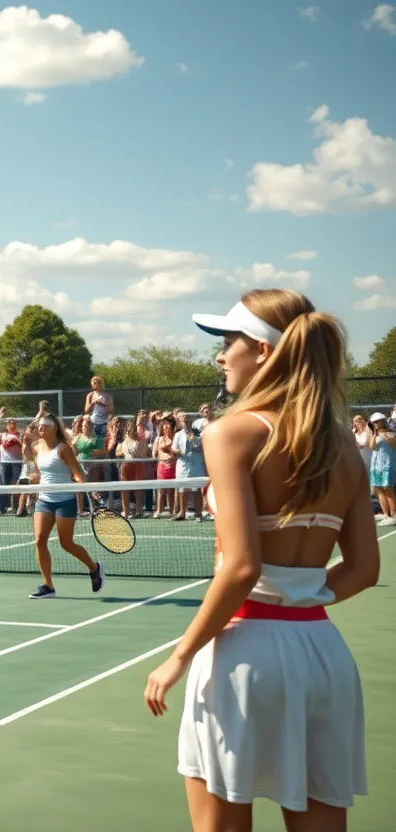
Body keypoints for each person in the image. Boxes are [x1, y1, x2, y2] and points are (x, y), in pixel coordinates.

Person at [144, 290, 379, 830]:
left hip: (243, 659)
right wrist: (297, 599)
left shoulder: (229, 432)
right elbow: (364, 570)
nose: (221, 356)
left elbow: (242, 568)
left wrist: (179, 655)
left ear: (264, 352)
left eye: (229, 342)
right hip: (324, 656)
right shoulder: (346, 445)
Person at [26, 412, 105, 600]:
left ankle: (94, 568)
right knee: (39, 540)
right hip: (44, 500)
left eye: (45, 425)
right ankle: (48, 585)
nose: (40, 427)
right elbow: (40, 472)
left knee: (66, 543)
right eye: (39, 425)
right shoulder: (37, 447)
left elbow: (76, 472)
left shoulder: (63, 449)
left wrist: (83, 486)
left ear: (54, 428)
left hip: (64, 501)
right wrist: (33, 479)